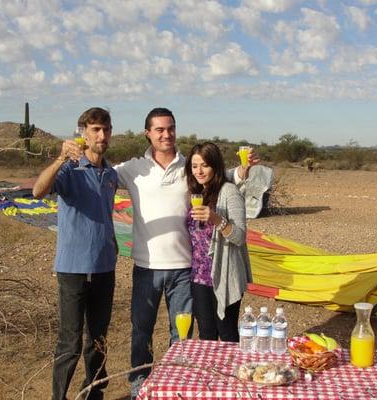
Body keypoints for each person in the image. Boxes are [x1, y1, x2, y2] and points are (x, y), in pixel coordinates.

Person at [114, 108, 257, 398]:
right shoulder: (132, 169)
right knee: (141, 331)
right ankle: (138, 386)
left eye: (171, 128)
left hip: (185, 269)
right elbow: (101, 175)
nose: (166, 134)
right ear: (148, 133)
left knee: (182, 336)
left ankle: (177, 383)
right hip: (146, 266)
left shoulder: (186, 164)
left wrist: (241, 172)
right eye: (159, 130)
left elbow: (215, 173)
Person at [32, 107, 117, 400]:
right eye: (95, 129)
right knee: (69, 342)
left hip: (105, 268)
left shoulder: (110, 173)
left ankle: (93, 394)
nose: (101, 135)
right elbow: (38, 192)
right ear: (83, 132)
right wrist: (59, 158)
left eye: (105, 129)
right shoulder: (69, 169)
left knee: (98, 340)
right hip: (73, 269)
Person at [186, 142, 252, 341]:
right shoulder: (196, 193)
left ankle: (232, 371)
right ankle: (212, 372)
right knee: (206, 334)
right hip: (198, 276)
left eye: (204, 165)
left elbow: (239, 236)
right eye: (195, 166)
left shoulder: (229, 192)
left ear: (215, 165)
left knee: (227, 332)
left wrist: (216, 219)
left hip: (223, 274)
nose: (199, 171)